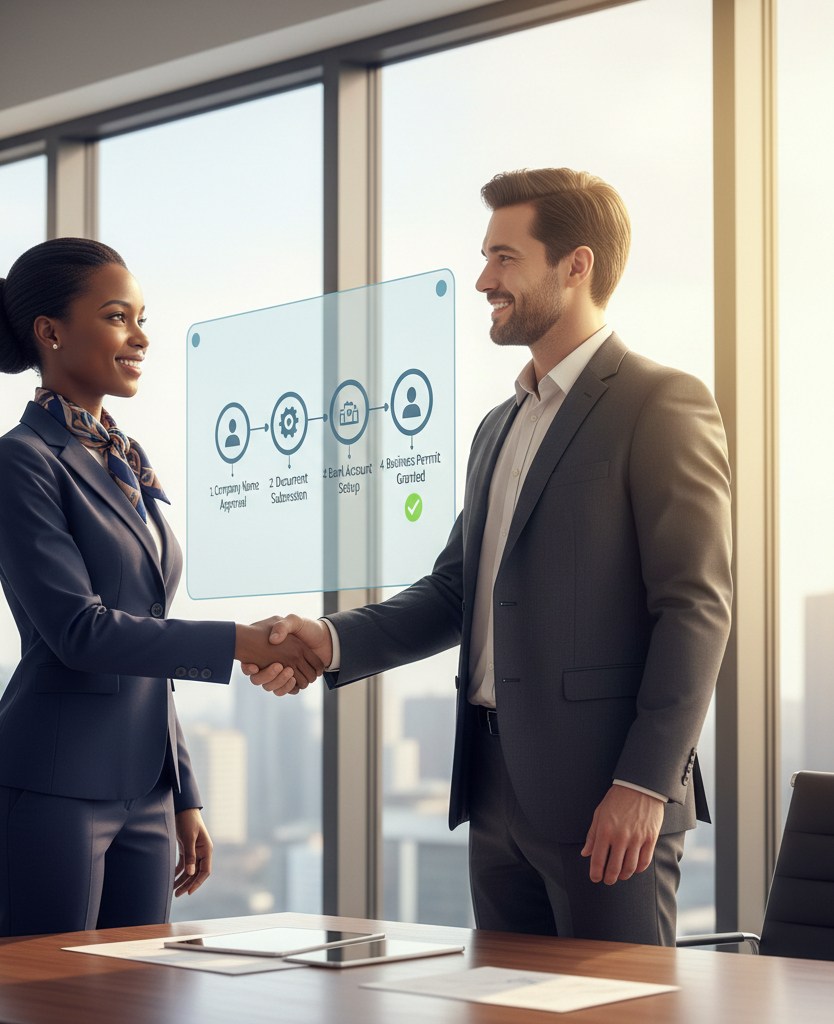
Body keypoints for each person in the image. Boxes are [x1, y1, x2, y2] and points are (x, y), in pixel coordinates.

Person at [244, 168, 733, 946]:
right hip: (495, 791)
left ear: (577, 266)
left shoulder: (660, 402)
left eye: (504, 258)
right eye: (484, 258)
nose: (482, 280)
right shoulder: (497, 427)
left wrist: (643, 781)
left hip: (610, 793)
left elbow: (696, 605)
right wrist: (331, 638)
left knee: (621, 1012)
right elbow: (456, 592)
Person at [0, 237, 321, 938]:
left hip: (147, 794)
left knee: (140, 1004)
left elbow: (148, 631)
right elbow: (81, 631)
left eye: (142, 318)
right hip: (49, 787)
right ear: (52, 331)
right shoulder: (20, 462)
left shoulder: (124, 461)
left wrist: (182, 791)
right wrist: (242, 642)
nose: (141, 337)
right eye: (118, 317)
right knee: (46, 1006)